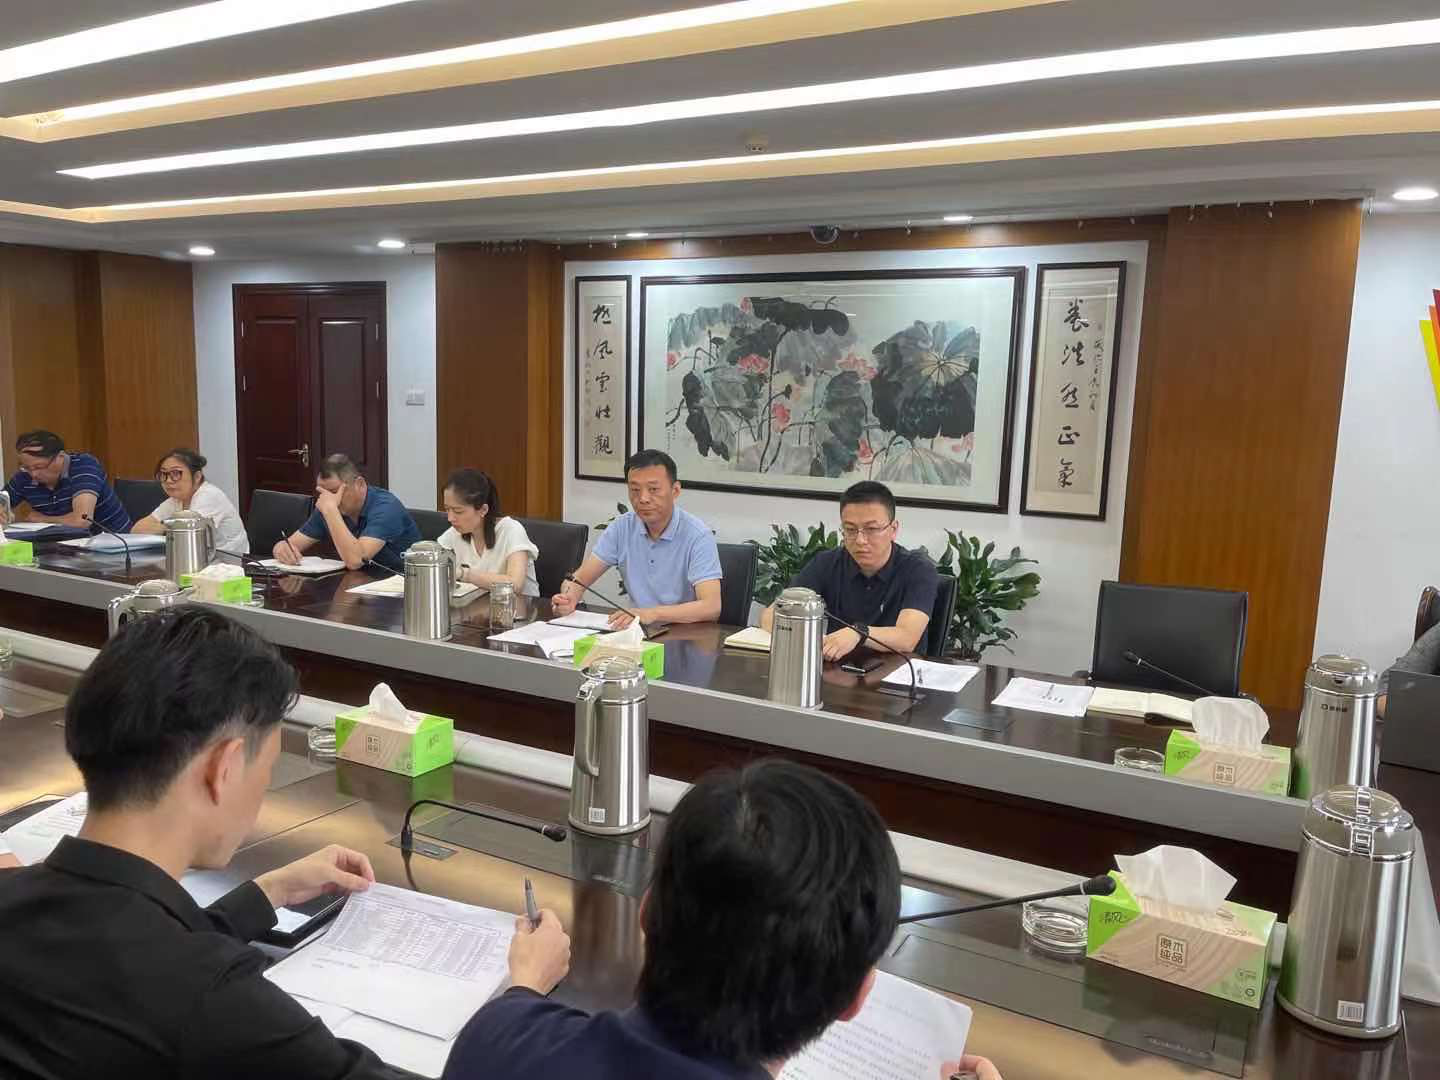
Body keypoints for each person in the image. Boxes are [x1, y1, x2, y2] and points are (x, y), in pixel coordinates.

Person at [0, 607, 571, 1077]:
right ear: (223, 768)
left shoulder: (19, 899)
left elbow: (132, 947)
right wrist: (522, 995)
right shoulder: (216, 1002)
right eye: (267, 768)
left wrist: (265, 892)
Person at [443, 760, 1001, 1080]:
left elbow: (511, 1032)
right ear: (856, 998)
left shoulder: (495, 1042)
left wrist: (523, 989)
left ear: (646, 912)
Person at [760, 481, 938, 662]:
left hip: (899, 672)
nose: (860, 540)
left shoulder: (918, 570)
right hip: (837, 669)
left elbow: (907, 637)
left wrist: (859, 633)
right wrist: (813, 639)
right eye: (850, 530)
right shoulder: (826, 563)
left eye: (871, 529)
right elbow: (770, 616)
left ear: (893, 529)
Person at [552, 449, 721, 628]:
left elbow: (711, 607)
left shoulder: (698, 535)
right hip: (637, 632)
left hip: (685, 633)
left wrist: (651, 613)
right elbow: (578, 580)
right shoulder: (621, 527)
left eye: (653, 489)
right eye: (635, 490)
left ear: (675, 490)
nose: (643, 498)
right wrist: (568, 597)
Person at [272, 453, 419, 573]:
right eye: (322, 493)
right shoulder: (328, 504)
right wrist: (281, 549)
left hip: (400, 585)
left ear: (360, 484)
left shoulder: (386, 507)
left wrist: (331, 511)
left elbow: (356, 560)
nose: (328, 498)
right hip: (357, 583)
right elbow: (290, 544)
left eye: (335, 491)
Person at [0, 429, 131, 533]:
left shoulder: (84, 466)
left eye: (39, 467)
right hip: (62, 548)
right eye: (27, 467)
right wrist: (4, 513)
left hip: (115, 546)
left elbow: (82, 520)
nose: (33, 474)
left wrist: (43, 519)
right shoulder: (24, 476)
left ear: (60, 457)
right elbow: (2, 501)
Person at [438, 469, 539, 596]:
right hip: (478, 606)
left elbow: (515, 584)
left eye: (458, 511)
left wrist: (464, 574)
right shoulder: (454, 532)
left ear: (483, 509)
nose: (450, 518)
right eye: (447, 509)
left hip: (520, 606)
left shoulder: (511, 530)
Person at [133, 447, 249, 554]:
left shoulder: (208, 496)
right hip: (200, 559)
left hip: (231, 562)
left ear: (197, 477)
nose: (168, 480)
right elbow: (137, 530)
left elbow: (188, 537)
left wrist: (167, 527)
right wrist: (171, 527)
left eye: (176, 473)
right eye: (164, 474)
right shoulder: (176, 500)